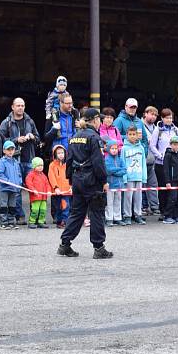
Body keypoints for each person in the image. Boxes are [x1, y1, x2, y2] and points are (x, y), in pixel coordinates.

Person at [58, 108, 113, 259]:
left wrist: (70, 179)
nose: (100, 122)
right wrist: (104, 181)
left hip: (77, 180)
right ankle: (99, 247)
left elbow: (68, 161)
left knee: (76, 213)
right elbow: (98, 163)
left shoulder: (75, 136)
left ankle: (65, 244)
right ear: (94, 120)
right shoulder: (95, 138)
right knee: (96, 213)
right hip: (92, 181)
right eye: (99, 119)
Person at [0, 97, 40, 224]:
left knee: (33, 189)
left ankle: (35, 216)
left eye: (22, 105)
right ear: (12, 107)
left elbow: (38, 139)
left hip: (29, 159)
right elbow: (1, 139)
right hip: (14, 160)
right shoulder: (7, 122)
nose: (20, 108)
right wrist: (16, 140)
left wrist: (33, 137)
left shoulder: (30, 121)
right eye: (18, 105)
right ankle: (19, 215)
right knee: (16, 189)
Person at [151, 108, 178, 220]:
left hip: (173, 164)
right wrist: (160, 156)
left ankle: (171, 212)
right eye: (167, 117)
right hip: (161, 164)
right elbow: (152, 146)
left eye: (171, 117)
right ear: (162, 118)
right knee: (163, 189)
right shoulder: (158, 130)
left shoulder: (176, 130)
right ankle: (163, 212)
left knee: (172, 189)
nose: (169, 119)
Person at [121, 126, 147, 225]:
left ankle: (138, 214)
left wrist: (144, 177)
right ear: (127, 135)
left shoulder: (141, 148)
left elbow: (143, 163)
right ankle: (127, 215)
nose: (132, 136)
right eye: (130, 134)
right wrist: (124, 177)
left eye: (134, 134)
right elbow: (122, 163)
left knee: (138, 197)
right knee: (128, 197)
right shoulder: (124, 148)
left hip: (139, 176)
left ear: (137, 135)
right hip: (129, 177)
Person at [0, 140, 22, 229]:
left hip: (14, 188)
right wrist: (7, 181)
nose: (10, 151)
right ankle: (3, 222)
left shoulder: (15, 162)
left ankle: (11, 221)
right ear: (4, 151)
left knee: (12, 206)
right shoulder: (2, 161)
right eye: (8, 149)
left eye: (12, 149)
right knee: (3, 205)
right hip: (5, 188)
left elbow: (19, 174)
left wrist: (19, 182)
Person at [162, 136, 178, 224]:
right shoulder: (168, 155)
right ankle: (167, 215)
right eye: (174, 144)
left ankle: (176, 215)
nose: (176, 146)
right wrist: (167, 181)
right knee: (172, 197)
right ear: (171, 145)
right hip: (173, 180)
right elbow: (166, 169)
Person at [141, 106, 160, 216]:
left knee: (153, 184)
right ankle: (144, 207)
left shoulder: (156, 128)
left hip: (153, 160)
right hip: (143, 160)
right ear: (145, 114)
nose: (153, 117)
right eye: (151, 114)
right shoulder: (140, 124)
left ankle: (154, 206)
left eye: (155, 115)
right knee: (142, 185)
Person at [105, 140, 127, 226]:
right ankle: (109, 218)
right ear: (108, 149)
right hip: (110, 184)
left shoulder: (120, 159)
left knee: (118, 201)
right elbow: (108, 170)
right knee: (109, 202)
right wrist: (118, 170)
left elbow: (124, 170)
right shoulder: (107, 160)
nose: (114, 150)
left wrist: (116, 171)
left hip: (119, 185)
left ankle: (117, 218)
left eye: (116, 148)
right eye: (112, 148)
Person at [48, 145, 71, 228]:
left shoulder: (67, 164)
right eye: (58, 153)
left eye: (62, 153)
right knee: (58, 207)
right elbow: (51, 177)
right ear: (55, 154)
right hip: (57, 191)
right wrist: (55, 187)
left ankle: (65, 221)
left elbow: (71, 176)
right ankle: (59, 221)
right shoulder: (52, 165)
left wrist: (71, 187)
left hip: (66, 190)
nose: (61, 155)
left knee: (66, 206)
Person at [25, 157, 51, 229]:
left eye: (41, 165)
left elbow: (47, 184)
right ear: (34, 166)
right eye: (38, 166)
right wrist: (33, 190)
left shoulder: (43, 175)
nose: (40, 167)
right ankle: (32, 222)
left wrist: (49, 191)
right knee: (35, 210)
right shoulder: (31, 174)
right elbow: (28, 183)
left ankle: (41, 221)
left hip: (43, 197)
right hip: (35, 197)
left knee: (43, 210)